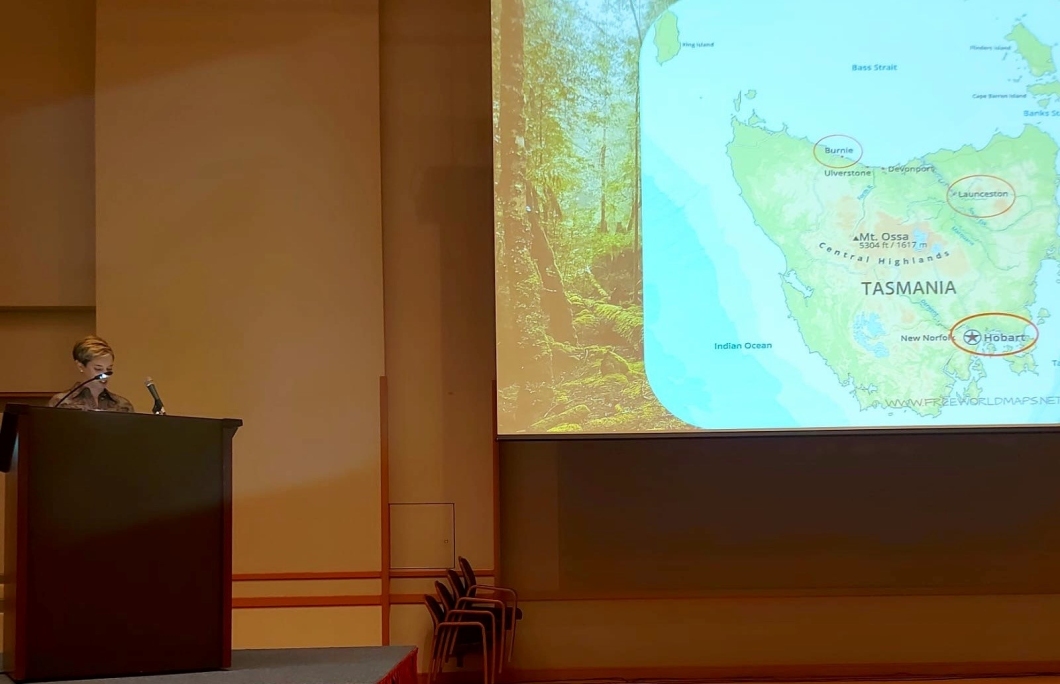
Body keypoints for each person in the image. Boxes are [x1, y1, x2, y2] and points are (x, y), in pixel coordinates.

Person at [48, 335, 135, 412]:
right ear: (80, 366)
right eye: (98, 369)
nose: (105, 375)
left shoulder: (123, 405)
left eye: (109, 369)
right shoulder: (61, 403)